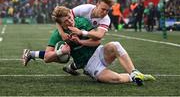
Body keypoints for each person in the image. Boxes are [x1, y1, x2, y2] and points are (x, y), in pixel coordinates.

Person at [22, 6, 155, 85]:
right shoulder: (57, 34)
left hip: (99, 52)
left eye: (70, 16)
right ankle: (135, 78)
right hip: (89, 65)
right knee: (116, 79)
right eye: (66, 21)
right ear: (60, 24)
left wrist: (81, 40)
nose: (70, 20)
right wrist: (60, 51)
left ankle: (135, 72)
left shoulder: (82, 22)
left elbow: (97, 41)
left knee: (115, 45)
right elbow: (47, 57)